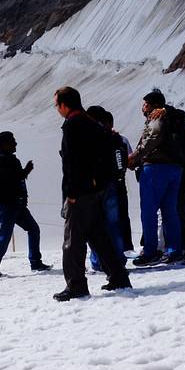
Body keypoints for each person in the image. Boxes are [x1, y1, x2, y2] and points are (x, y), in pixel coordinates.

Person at [53, 86, 131, 301]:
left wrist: (71, 192)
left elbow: (72, 162)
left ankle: (76, 285)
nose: (57, 109)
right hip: (98, 190)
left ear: (65, 104)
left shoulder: (72, 125)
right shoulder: (92, 123)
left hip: (81, 192)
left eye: (57, 105)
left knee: (73, 241)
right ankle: (119, 276)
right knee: (99, 236)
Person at [128, 91, 185, 266]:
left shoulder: (157, 118)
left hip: (155, 168)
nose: (143, 107)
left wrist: (135, 157)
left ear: (152, 105)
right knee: (170, 211)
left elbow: (152, 137)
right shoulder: (173, 117)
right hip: (175, 168)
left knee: (149, 211)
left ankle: (150, 251)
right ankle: (175, 250)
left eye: (145, 104)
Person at [0, 131, 50, 277]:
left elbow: (16, 180)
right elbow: (12, 180)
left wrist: (23, 196)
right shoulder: (2, 160)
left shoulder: (8, 159)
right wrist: (25, 171)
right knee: (5, 238)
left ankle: (35, 262)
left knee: (33, 229)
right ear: (4, 144)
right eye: (12, 141)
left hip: (16, 205)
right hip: (8, 206)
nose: (16, 143)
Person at [85, 106, 128, 272]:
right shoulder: (114, 138)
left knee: (95, 225)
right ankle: (118, 259)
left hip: (95, 187)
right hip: (112, 185)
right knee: (113, 224)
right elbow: (120, 162)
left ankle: (98, 261)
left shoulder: (89, 137)